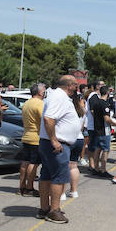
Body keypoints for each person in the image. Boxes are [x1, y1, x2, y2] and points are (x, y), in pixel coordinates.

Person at [37, 74, 80, 223]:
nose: (77, 88)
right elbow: (49, 118)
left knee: (47, 176)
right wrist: (54, 140)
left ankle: (44, 208)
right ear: (69, 86)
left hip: (50, 143)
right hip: (56, 144)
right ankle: (54, 210)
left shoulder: (56, 96)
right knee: (59, 177)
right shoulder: (59, 97)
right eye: (76, 85)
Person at [17, 81, 46, 196]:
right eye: (44, 91)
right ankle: (29, 187)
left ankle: (22, 186)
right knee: (34, 163)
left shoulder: (27, 103)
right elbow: (43, 119)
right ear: (39, 92)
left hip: (27, 136)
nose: (44, 93)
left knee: (25, 162)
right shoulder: (39, 104)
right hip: (36, 137)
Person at [87, 84, 113, 177]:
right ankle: (103, 169)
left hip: (97, 128)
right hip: (104, 130)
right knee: (105, 150)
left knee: (98, 149)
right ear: (107, 93)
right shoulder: (104, 104)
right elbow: (107, 119)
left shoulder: (96, 103)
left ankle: (96, 168)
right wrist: (115, 123)